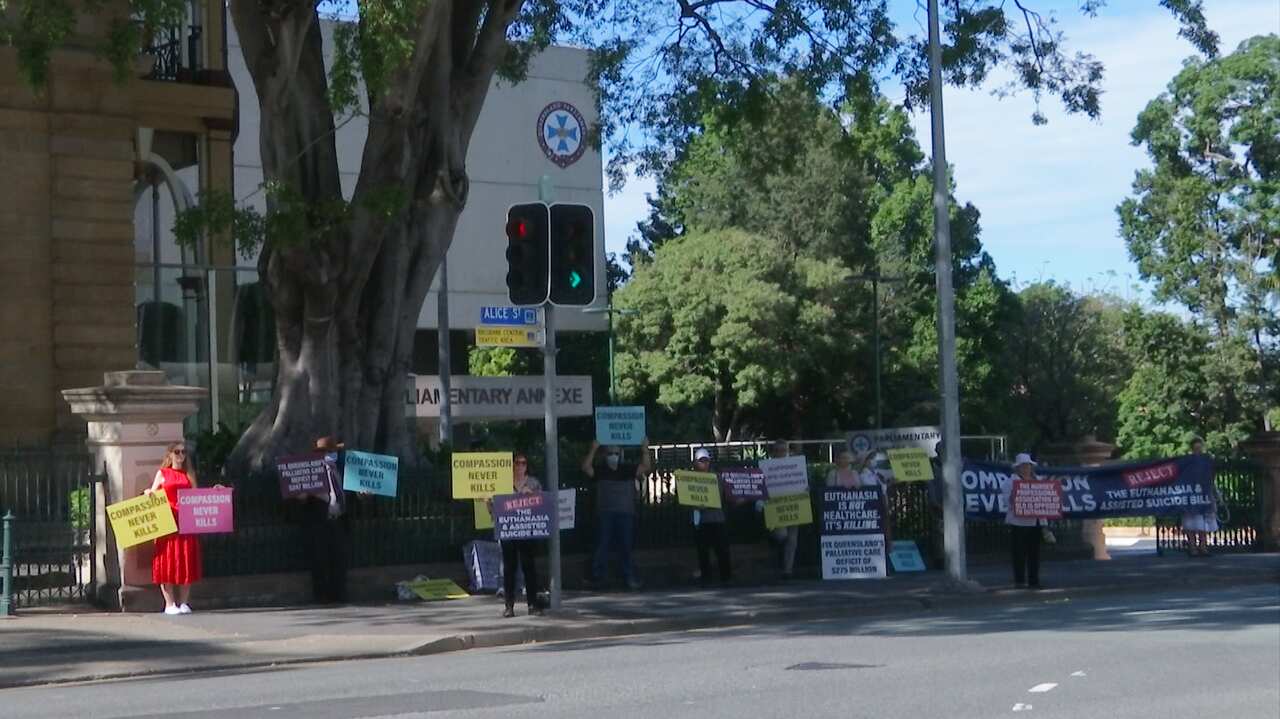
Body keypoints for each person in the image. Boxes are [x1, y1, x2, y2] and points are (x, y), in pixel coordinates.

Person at [143, 442, 204, 615]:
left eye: (184, 452)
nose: (181, 455)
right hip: (167, 522)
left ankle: (184, 602)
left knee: (186, 561)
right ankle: (169, 604)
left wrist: (215, 492)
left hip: (186, 522)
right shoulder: (162, 473)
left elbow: (196, 496)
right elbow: (153, 492)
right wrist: (149, 493)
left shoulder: (188, 474)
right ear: (169, 455)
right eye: (177, 452)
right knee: (167, 561)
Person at [582, 438, 651, 589]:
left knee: (626, 546)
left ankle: (628, 576)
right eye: (610, 453)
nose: (613, 455)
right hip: (605, 513)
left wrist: (645, 449)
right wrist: (593, 448)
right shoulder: (600, 470)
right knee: (602, 545)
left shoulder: (627, 468)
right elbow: (586, 467)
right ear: (605, 454)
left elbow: (646, 467)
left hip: (625, 513)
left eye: (616, 452)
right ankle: (599, 576)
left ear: (621, 454)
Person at [303, 436, 354, 604]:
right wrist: (304, 496)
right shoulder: (310, 472)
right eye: (324, 452)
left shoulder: (341, 471)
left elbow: (350, 494)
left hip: (339, 519)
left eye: (331, 452)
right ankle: (322, 596)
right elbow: (301, 498)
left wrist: (363, 495)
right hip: (319, 521)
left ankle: (339, 595)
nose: (328, 455)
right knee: (320, 560)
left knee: (340, 559)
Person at [495, 453, 545, 617]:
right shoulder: (503, 483)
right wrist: (488, 501)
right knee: (509, 569)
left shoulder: (533, 482)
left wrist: (532, 495)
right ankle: (509, 606)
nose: (520, 466)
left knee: (529, 567)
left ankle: (533, 604)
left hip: (527, 531)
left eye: (523, 463)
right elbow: (495, 508)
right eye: (517, 463)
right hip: (509, 531)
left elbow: (542, 505)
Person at [690, 448, 732, 585]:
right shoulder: (690, 479)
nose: (704, 464)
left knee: (722, 549)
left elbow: (719, 495)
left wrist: (703, 504)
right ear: (695, 463)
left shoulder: (717, 477)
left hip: (717, 518)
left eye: (706, 461)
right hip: (701, 521)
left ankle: (726, 577)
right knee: (703, 551)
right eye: (701, 461)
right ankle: (706, 577)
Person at [1002, 453, 1043, 589]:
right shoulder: (1010, 482)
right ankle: (1019, 580)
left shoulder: (1039, 480)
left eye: (1028, 466)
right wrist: (1015, 495)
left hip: (1035, 522)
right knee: (1019, 552)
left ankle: (1034, 580)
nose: (1026, 468)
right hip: (1018, 522)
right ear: (1018, 468)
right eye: (1023, 466)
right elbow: (1006, 501)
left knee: (1034, 552)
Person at [766, 440, 800, 580]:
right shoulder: (768, 467)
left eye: (783, 450)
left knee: (792, 540)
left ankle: (788, 570)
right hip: (775, 508)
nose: (781, 453)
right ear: (774, 452)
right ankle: (775, 548)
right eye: (778, 450)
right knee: (781, 535)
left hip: (795, 506)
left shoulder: (795, 466)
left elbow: (803, 482)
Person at [1181, 436, 1219, 557]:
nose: (1198, 450)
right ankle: (1193, 548)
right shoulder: (1187, 461)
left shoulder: (1207, 460)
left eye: (1200, 448)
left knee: (1204, 522)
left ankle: (1203, 547)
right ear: (1192, 449)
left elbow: (1212, 475)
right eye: (1196, 448)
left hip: (1205, 494)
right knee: (1190, 523)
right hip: (1191, 495)